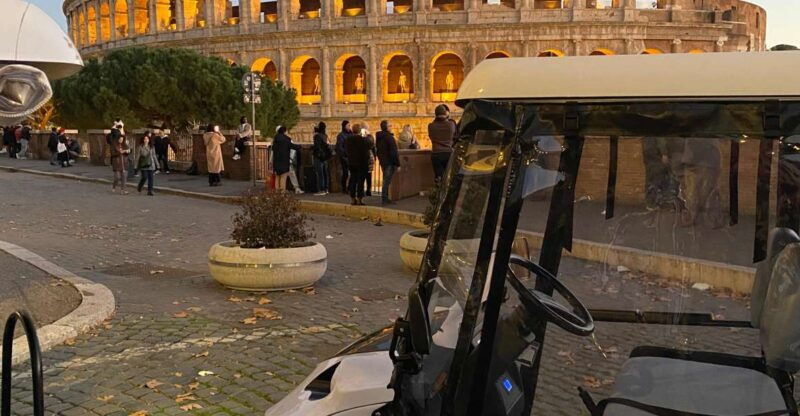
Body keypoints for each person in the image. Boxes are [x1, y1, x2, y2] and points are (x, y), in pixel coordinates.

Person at [345, 123, 371, 205]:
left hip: (352, 162)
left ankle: (353, 198)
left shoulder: (348, 139)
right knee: (360, 182)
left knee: (353, 180)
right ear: (360, 131)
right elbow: (369, 145)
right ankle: (360, 199)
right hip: (362, 163)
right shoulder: (362, 139)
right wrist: (366, 135)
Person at [428, 104, 456, 182]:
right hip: (448, 153)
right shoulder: (451, 125)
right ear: (445, 113)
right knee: (449, 177)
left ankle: (438, 191)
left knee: (439, 178)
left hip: (436, 154)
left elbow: (431, 137)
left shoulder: (431, 126)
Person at [376, 120, 401, 205]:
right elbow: (394, 152)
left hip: (383, 162)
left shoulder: (379, 138)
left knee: (386, 181)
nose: (391, 127)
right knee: (387, 181)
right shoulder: (389, 138)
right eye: (390, 125)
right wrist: (397, 164)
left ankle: (385, 198)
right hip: (389, 163)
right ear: (386, 127)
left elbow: (378, 151)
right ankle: (385, 199)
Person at [272, 126, 302, 192]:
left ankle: (277, 192)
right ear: (285, 131)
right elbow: (293, 146)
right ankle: (282, 192)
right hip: (284, 161)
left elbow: (273, 149)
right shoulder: (286, 139)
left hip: (276, 160)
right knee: (283, 176)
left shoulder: (275, 139)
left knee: (277, 176)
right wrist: (300, 146)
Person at [312, 121, 332, 195]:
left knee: (320, 174)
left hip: (319, 157)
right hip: (325, 157)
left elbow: (317, 147)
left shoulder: (317, 136)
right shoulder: (325, 135)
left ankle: (321, 189)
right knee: (325, 173)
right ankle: (326, 189)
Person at [335, 120, 351, 194]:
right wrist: (346, 154)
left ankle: (349, 188)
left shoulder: (350, 134)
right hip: (344, 158)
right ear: (344, 126)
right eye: (348, 126)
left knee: (351, 174)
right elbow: (339, 147)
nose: (349, 127)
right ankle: (344, 188)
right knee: (345, 174)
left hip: (350, 157)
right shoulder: (341, 135)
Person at [362, 122, 376, 197]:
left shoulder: (362, 137)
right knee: (369, 174)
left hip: (363, 157)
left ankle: (363, 190)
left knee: (363, 174)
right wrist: (375, 157)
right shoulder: (371, 137)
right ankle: (369, 190)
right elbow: (374, 147)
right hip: (370, 157)